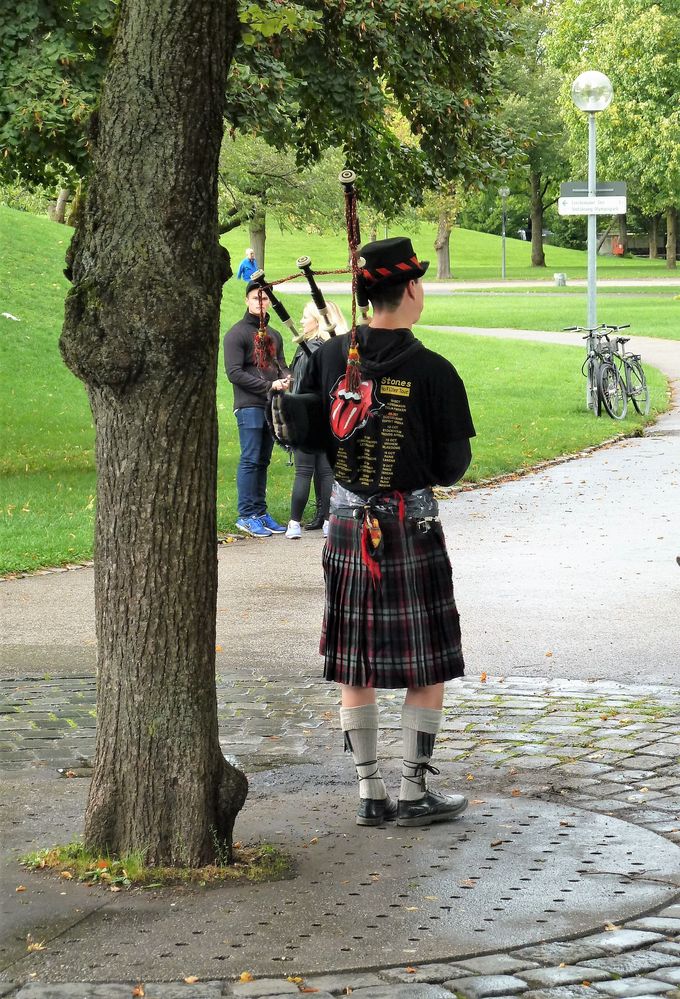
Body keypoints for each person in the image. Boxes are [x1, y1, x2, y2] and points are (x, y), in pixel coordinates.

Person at [300, 236, 475, 828]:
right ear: (410, 290)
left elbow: (308, 437)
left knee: (357, 664)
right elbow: (453, 466)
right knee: (425, 663)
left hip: (347, 524)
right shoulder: (434, 371)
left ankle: (369, 793)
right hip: (411, 524)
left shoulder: (328, 360)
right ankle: (413, 792)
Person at [224, 280, 289, 537]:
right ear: (246, 301)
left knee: (263, 459)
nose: (260, 303)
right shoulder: (236, 334)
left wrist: (287, 379)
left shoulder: (274, 335)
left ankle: (260, 512)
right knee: (251, 458)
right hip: (248, 405)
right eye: (255, 299)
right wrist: (268, 385)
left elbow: (282, 365)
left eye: (264, 299)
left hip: (271, 406)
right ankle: (246, 514)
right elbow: (234, 373)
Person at [285, 301, 348, 540]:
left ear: (317, 320)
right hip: (331, 416)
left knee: (303, 471)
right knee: (325, 471)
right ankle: (327, 521)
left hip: (307, 415)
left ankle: (294, 523)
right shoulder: (338, 348)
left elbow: (300, 386)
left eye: (305, 317)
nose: (302, 322)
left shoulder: (310, 348)